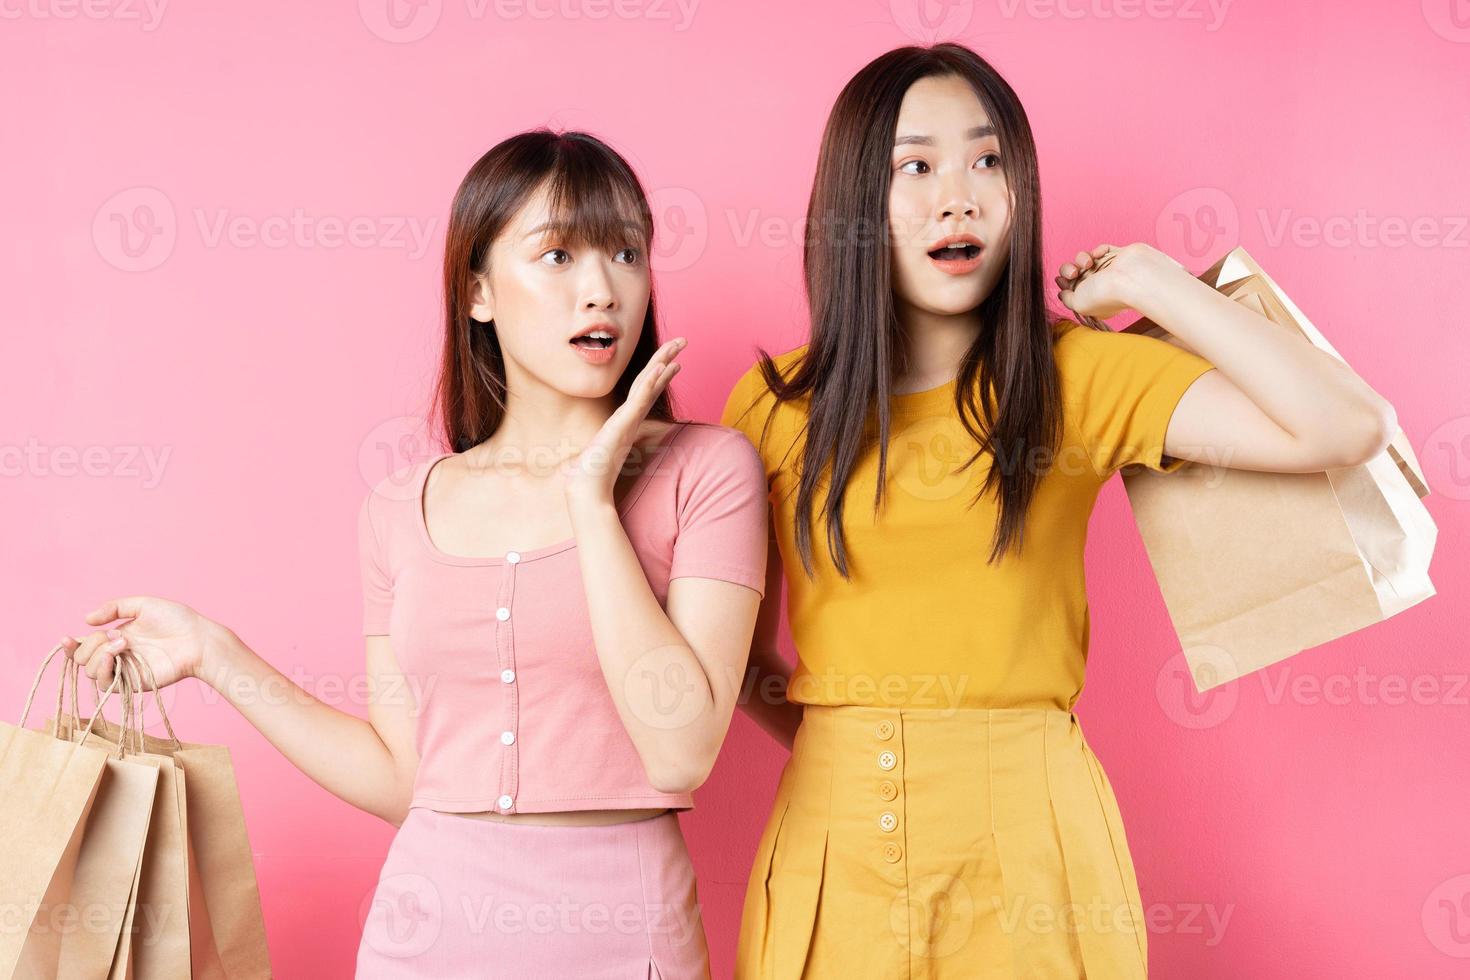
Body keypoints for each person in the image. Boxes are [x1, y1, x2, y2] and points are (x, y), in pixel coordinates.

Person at [722, 43, 1397, 979]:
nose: (958, 196)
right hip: (830, 858)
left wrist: (1153, 284)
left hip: (1029, 849)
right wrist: (850, 745)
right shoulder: (772, 408)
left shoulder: (1073, 376)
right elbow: (744, 658)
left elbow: (1348, 424)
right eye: (914, 166)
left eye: (988, 162)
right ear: (852, 206)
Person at [66, 129, 769, 979]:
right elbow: (407, 780)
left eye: (626, 252)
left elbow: (680, 747)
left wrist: (591, 500)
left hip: (625, 938)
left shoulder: (709, 470)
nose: (602, 289)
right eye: (557, 255)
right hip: (426, 935)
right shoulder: (400, 509)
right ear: (478, 292)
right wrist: (217, 655)